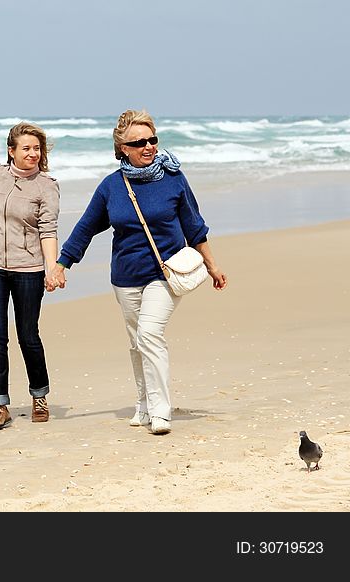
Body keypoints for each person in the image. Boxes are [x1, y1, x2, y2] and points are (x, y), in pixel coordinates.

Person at [53, 109, 227, 435]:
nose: (148, 147)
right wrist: (62, 264)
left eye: (152, 139)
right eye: (139, 142)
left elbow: (195, 226)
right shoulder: (111, 187)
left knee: (149, 334)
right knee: (137, 342)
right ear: (122, 149)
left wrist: (213, 266)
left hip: (165, 273)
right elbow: (86, 228)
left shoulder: (173, 179)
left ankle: (161, 412)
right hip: (125, 276)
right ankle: (144, 403)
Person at [0, 122, 62, 431]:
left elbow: (48, 230)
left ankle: (39, 396)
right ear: (11, 151)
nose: (33, 153)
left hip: (28, 269)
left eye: (36, 148)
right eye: (26, 148)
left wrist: (52, 267)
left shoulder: (47, 186)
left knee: (28, 335)